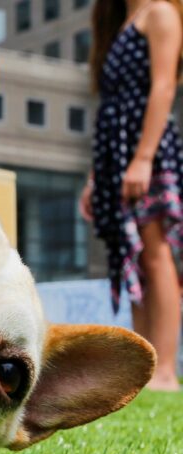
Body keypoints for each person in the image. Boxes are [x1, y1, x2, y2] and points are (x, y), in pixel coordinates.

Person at [80, 0, 183, 391]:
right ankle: (148, 368)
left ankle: (167, 370)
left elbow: (164, 86)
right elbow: (109, 108)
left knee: (155, 251)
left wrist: (142, 158)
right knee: (134, 256)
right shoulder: (121, 23)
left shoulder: (161, 12)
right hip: (116, 151)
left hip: (146, 147)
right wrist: (95, 178)